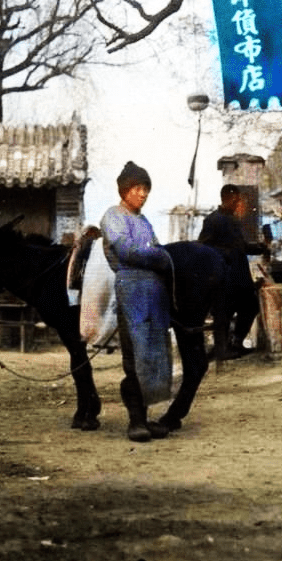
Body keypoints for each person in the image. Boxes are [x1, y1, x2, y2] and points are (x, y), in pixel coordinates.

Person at [101, 161, 177, 442]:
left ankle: (146, 418)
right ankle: (135, 421)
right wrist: (162, 256)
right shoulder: (114, 216)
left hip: (154, 291)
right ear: (124, 190)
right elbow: (126, 250)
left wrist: (160, 256)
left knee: (154, 354)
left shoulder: (144, 221)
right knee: (135, 355)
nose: (143, 194)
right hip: (131, 288)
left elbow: (153, 248)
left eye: (146, 189)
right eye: (137, 188)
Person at [198, 184, 265, 358]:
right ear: (229, 198)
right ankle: (222, 349)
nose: (238, 204)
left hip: (240, 275)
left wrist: (259, 248)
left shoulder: (233, 220)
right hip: (224, 276)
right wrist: (225, 254)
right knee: (223, 313)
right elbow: (203, 247)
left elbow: (240, 247)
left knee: (251, 305)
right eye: (236, 200)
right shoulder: (212, 220)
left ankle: (236, 342)